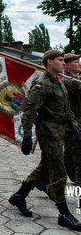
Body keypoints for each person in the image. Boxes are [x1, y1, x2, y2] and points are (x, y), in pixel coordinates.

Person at [8, 50, 81, 231]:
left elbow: (66, 110)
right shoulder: (42, 84)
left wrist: (74, 125)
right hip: (48, 133)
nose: (63, 63)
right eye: (60, 60)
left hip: (60, 131)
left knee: (45, 168)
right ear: (49, 62)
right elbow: (29, 111)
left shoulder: (60, 83)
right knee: (59, 171)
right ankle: (64, 214)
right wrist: (26, 136)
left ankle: (19, 195)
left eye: (64, 60)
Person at [63, 53, 81, 184]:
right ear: (67, 65)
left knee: (67, 158)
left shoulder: (75, 79)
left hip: (74, 124)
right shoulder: (68, 81)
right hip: (73, 124)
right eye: (76, 62)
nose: (79, 64)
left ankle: (44, 179)